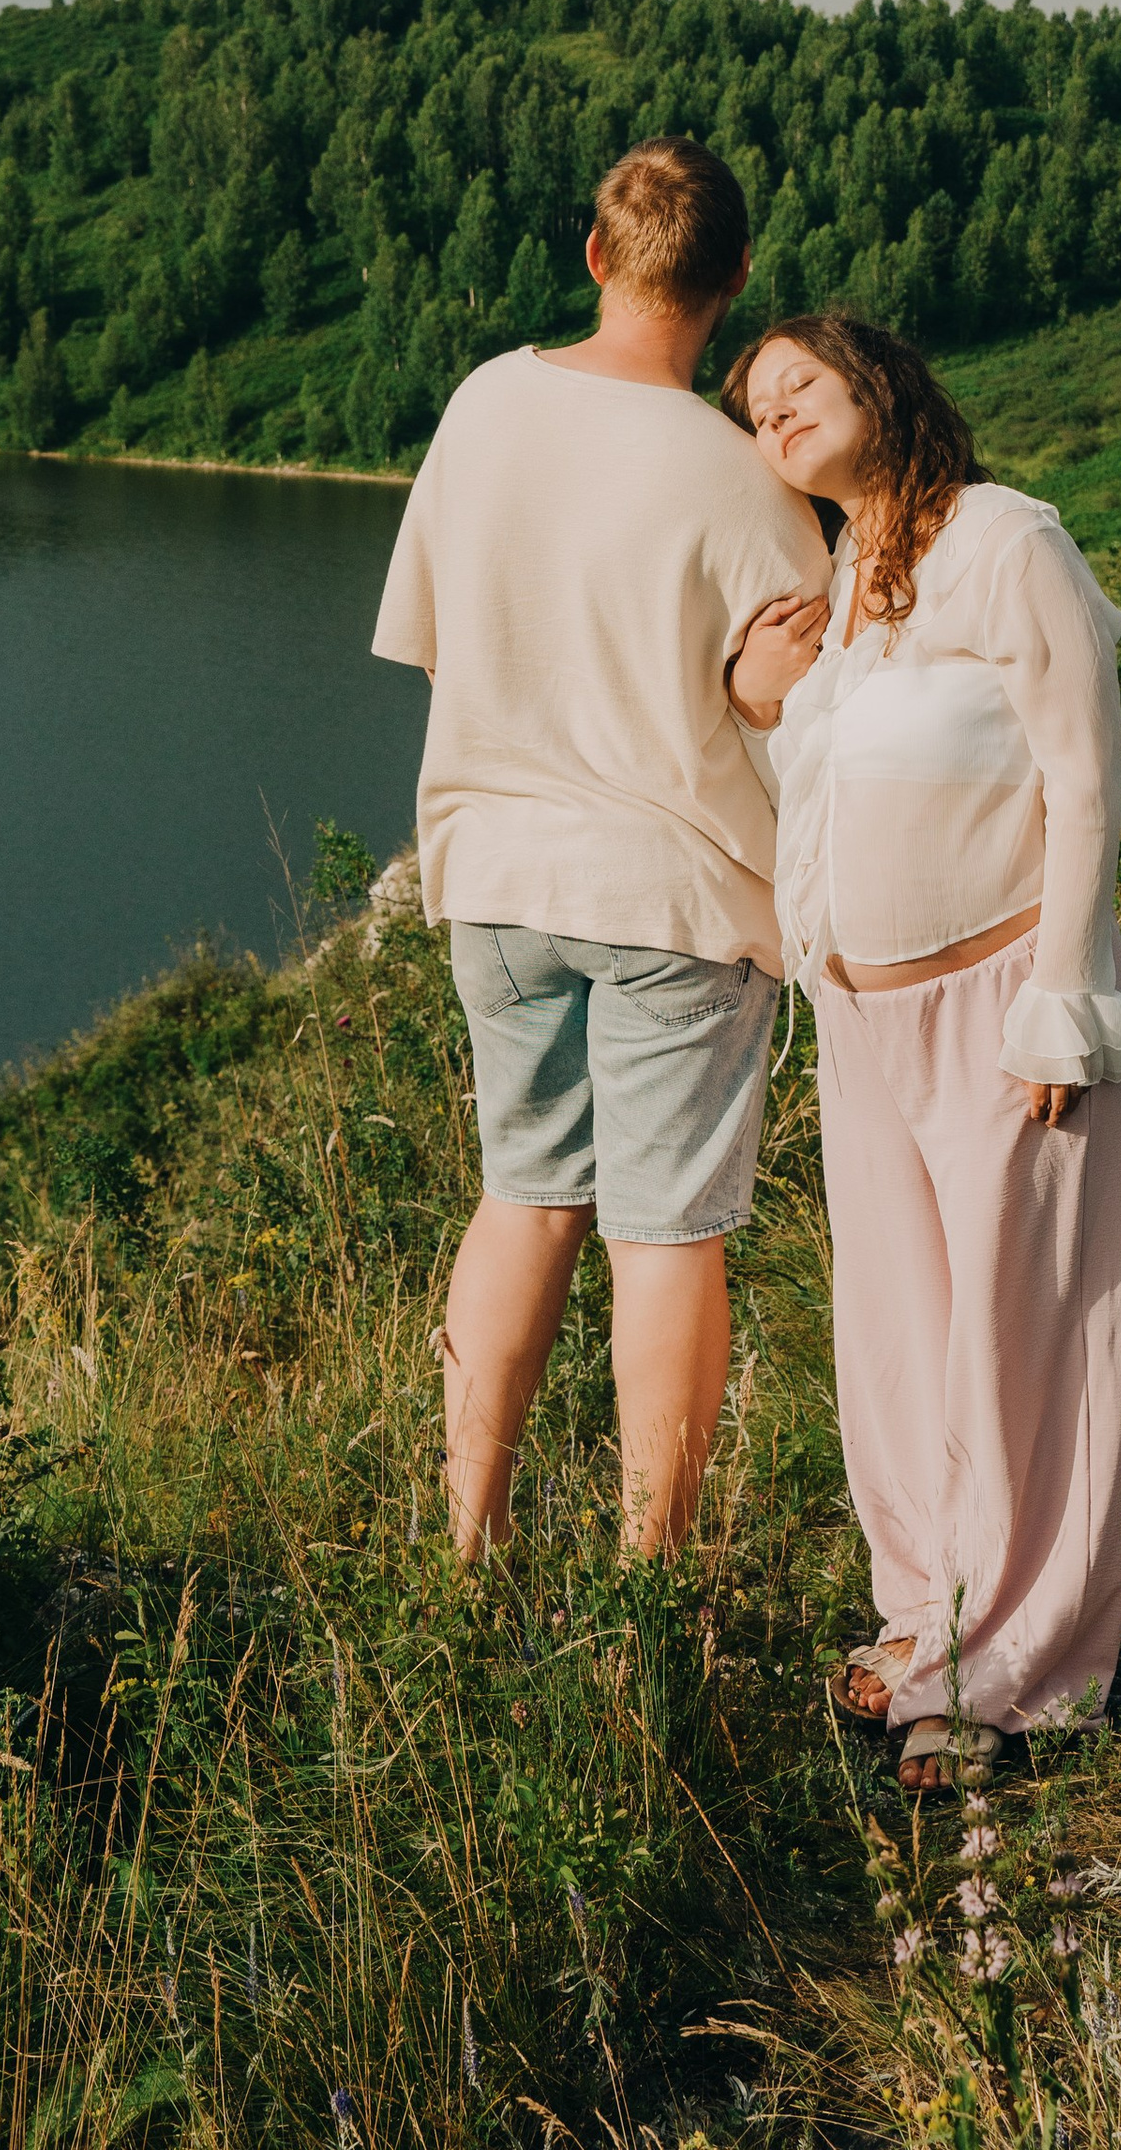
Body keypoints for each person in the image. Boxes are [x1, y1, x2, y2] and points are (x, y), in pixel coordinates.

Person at [722, 311, 1121, 1791]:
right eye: (754, 406)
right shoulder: (843, 588)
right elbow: (843, 784)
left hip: (998, 1008)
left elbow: (1086, 781)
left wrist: (1065, 997)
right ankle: (925, 1617)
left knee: (1017, 1339)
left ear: (881, 387)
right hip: (862, 1018)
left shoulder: (1004, 540)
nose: (770, 414)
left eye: (797, 386)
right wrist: (757, 701)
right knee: (898, 1339)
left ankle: (1012, 1673)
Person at [372, 139, 829, 1561]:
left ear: (593, 256)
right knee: (667, 1236)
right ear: (736, 281)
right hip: (673, 896)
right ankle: (650, 1574)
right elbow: (802, 712)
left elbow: (434, 648)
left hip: (497, 876)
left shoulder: (486, 404)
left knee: (520, 1202)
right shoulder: (748, 479)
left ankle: (468, 1540)